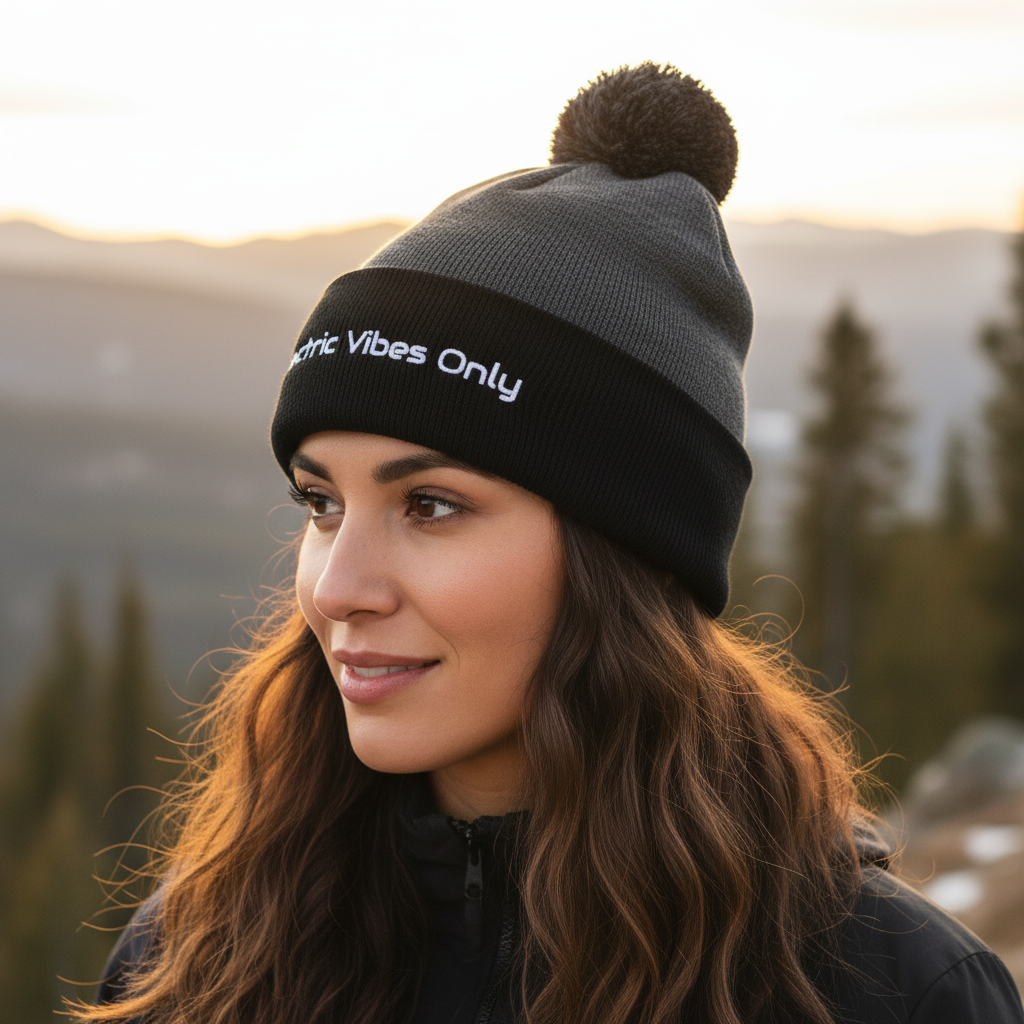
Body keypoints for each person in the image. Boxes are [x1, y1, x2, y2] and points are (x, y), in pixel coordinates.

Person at [78, 63, 1023, 1024]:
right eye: (320, 503)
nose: (336, 588)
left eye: (431, 506)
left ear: (624, 551)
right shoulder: (201, 955)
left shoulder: (886, 990)